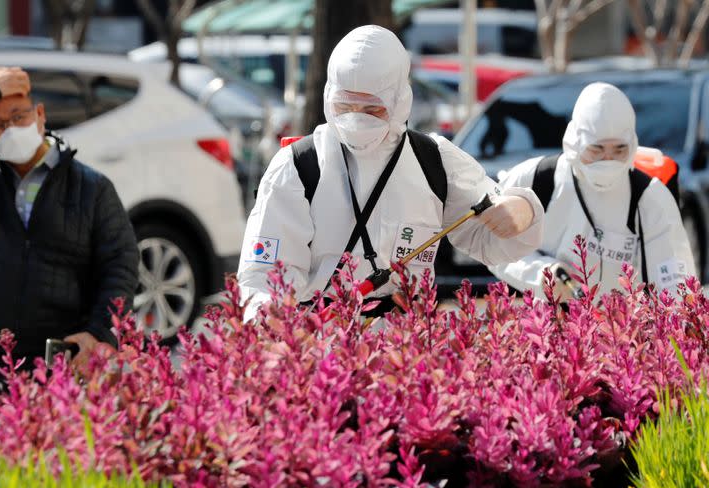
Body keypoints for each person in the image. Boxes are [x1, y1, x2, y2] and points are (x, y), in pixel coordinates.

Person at [237, 25, 544, 319]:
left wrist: (523, 210)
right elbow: (265, 273)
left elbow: (488, 238)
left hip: (404, 346)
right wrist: (274, 324)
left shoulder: (434, 161)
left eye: (372, 109)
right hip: (321, 342)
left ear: (401, 100)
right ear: (329, 96)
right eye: (345, 106)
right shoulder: (298, 165)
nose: (356, 120)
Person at [0, 67, 139, 387]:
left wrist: (100, 332)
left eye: (18, 116)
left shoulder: (90, 187)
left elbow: (120, 263)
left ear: (40, 116)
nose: (9, 129)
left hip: (57, 362)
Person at [488, 82, 695, 299]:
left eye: (619, 150)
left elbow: (674, 284)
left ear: (632, 145)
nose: (607, 160)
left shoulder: (651, 198)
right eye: (596, 149)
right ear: (576, 141)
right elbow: (493, 246)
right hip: (549, 327)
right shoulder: (533, 179)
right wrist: (540, 274)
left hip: (627, 328)